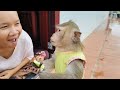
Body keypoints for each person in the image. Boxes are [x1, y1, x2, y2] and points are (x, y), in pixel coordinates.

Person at [0, 11, 34, 79]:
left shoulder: (24, 38)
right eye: (4, 26)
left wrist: (12, 72)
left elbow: (29, 56)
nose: (15, 32)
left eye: (17, 23)